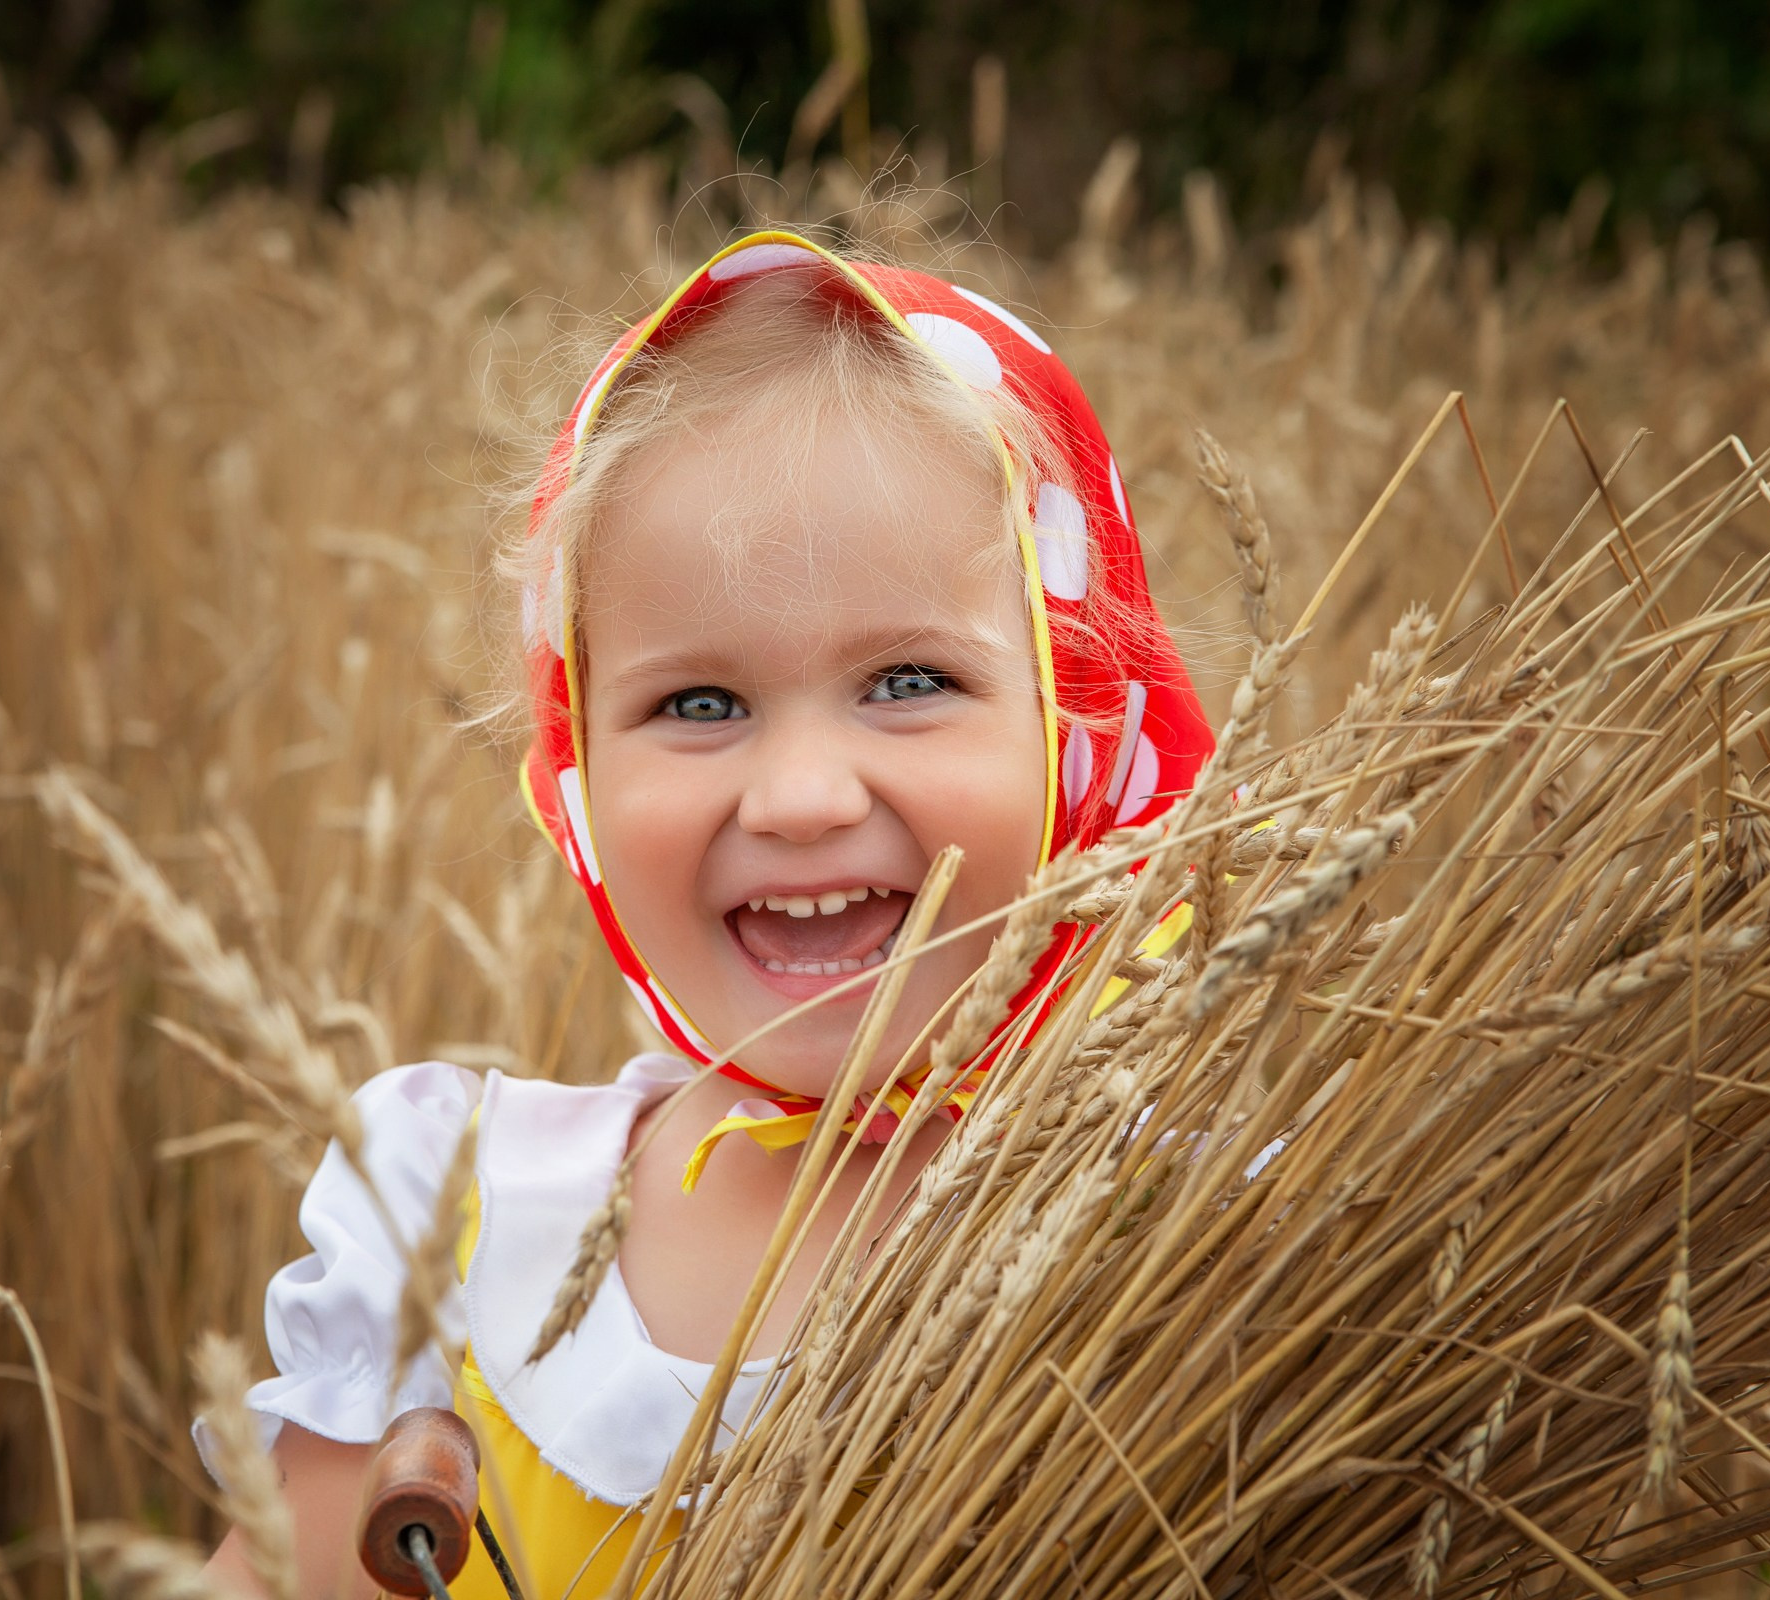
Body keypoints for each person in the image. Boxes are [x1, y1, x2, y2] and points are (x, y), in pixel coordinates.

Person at [198, 231, 1213, 1598]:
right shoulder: (453, 1233)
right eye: (699, 703)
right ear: (578, 768)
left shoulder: (1191, 1231)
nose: (799, 797)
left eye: (909, 682)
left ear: (1078, 723)